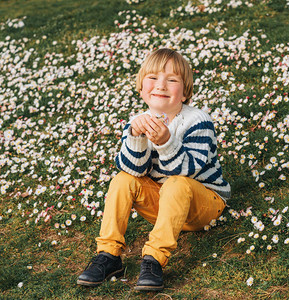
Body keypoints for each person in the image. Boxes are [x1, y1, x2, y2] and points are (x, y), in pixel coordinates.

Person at [77, 48, 231, 291]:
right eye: (153, 78)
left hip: (204, 205)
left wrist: (165, 142)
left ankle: (154, 259)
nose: (161, 85)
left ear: (185, 93)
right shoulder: (138, 121)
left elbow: (188, 172)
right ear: (141, 89)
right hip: (165, 207)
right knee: (122, 179)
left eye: (172, 80)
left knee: (176, 183)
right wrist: (137, 137)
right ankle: (108, 255)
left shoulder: (198, 121)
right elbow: (134, 171)